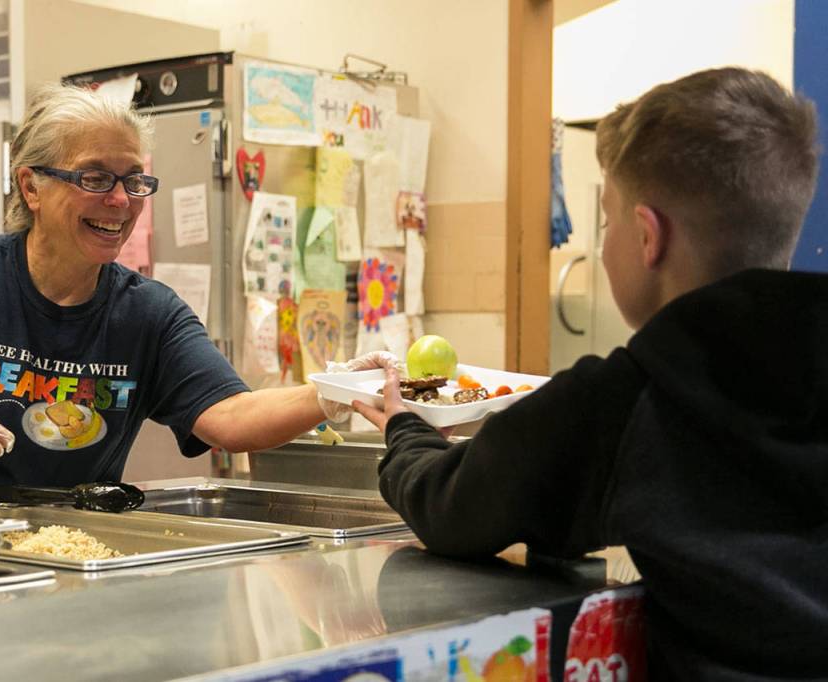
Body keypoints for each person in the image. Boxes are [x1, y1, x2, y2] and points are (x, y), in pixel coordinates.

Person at [354, 67, 827, 680]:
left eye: (606, 223)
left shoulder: (628, 399)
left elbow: (451, 506)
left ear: (646, 235)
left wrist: (404, 429)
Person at [0, 82, 386, 503]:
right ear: (32, 186)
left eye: (134, 180)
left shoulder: (148, 313)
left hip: (71, 555)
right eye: (94, 178)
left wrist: (335, 391)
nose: (121, 201)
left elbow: (232, 418)